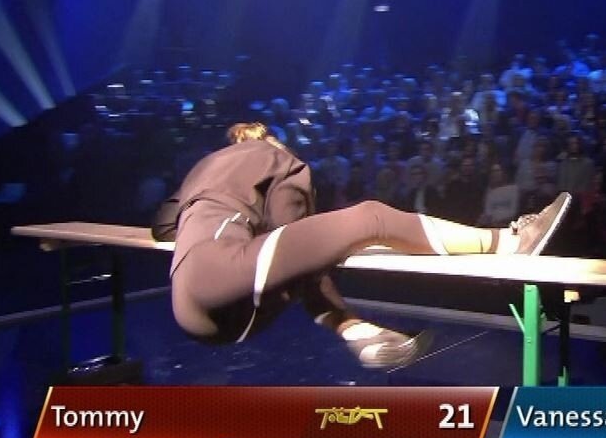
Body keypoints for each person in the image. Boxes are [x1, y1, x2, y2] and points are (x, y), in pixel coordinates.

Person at [152, 123, 572, 369]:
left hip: (190, 306)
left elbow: (162, 227)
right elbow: (291, 225)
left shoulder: (202, 169)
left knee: (292, 267)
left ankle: (358, 331)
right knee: (370, 216)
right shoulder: (276, 158)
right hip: (235, 294)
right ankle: (508, 240)